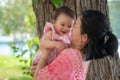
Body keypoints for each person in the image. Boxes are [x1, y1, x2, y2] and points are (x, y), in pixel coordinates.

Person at [33, 10, 120, 80]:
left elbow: (38, 78)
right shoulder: (85, 60)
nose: (71, 30)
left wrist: (44, 54)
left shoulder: (69, 55)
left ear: (84, 37)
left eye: (75, 26)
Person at [31, 6, 75, 74]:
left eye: (69, 26)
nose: (66, 28)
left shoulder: (68, 37)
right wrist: (55, 44)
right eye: (62, 24)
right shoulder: (52, 33)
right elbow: (43, 43)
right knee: (42, 74)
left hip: (54, 63)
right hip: (43, 60)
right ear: (54, 22)